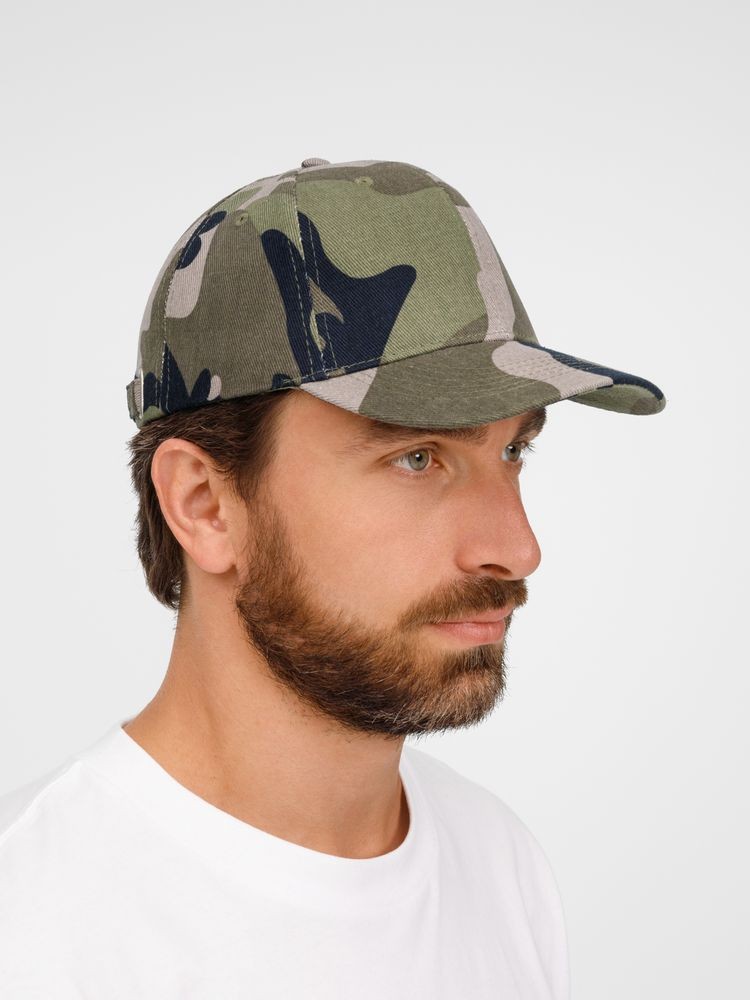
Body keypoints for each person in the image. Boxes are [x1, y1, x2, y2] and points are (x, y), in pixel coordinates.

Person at [0, 157, 666, 998]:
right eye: (417, 457)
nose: (517, 548)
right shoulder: (30, 922)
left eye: (513, 449)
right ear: (205, 505)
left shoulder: (500, 866)